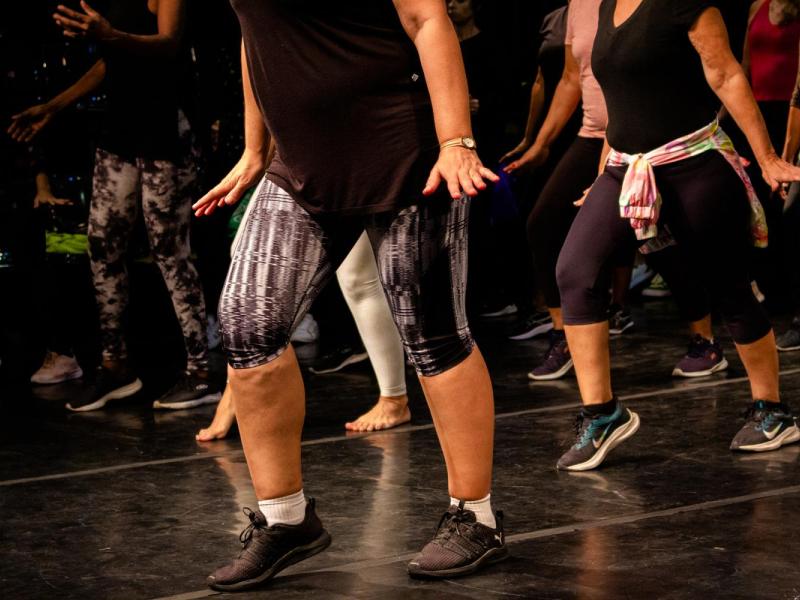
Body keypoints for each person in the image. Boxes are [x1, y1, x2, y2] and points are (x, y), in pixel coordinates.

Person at [194, 1, 505, 590]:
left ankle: (476, 518)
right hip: (304, 160)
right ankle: (286, 521)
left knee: (433, 332)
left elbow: (427, 20)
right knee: (245, 326)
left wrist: (455, 139)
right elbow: (256, 33)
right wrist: (255, 150)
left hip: (404, 147)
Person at [554, 0, 800, 472]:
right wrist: (599, 173)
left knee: (727, 284)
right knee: (574, 271)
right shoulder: (606, 7)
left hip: (693, 162)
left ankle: (772, 410)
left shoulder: (682, 2)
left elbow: (726, 74)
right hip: (627, 167)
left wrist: (767, 156)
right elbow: (617, 103)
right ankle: (602, 413)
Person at [8, 0, 220, 411]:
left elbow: (169, 43)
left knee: (169, 251)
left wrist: (109, 35)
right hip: (121, 131)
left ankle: (200, 372)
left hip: (165, 131)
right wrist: (54, 106)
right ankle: (116, 367)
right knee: (102, 245)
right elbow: (112, 61)